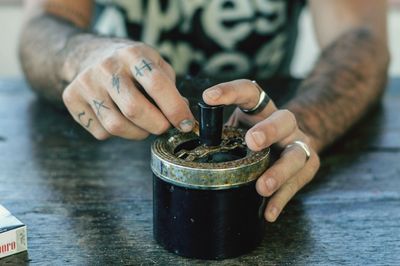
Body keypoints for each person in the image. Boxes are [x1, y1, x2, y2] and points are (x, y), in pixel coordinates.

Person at [19, 0, 389, 223]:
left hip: (257, 157)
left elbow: (359, 35)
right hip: (104, 157)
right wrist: (80, 54)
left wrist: (300, 123)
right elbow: (40, 28)